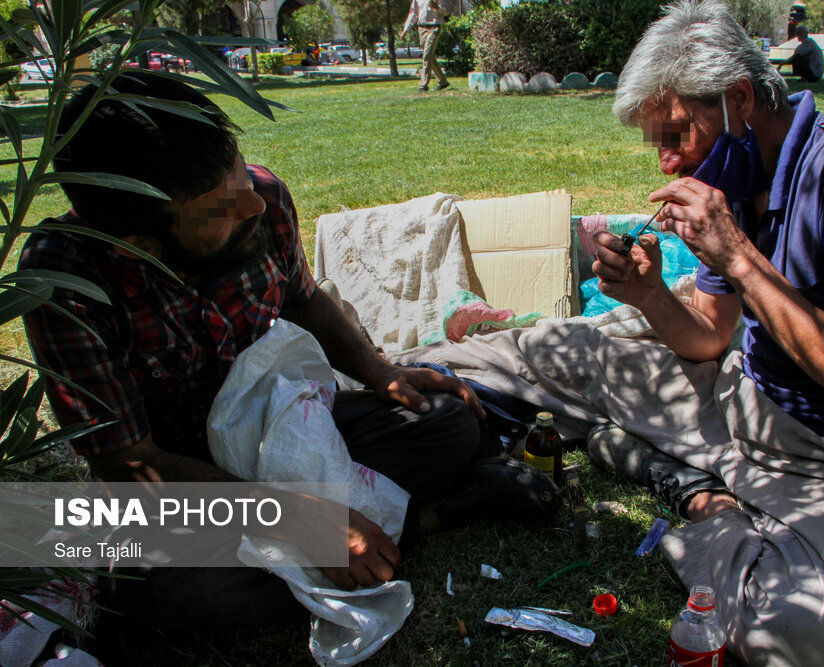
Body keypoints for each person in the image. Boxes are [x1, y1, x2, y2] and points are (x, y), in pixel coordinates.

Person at [392, 0, 824, 664]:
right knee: (552, 348)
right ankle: (378, 381)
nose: (665, 163)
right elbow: (709, 335)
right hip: (736, 401)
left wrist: (737, 255)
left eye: (676, 134)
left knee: (790, 633)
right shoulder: (739, 171)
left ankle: (704, 499)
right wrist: (650, 294)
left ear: (738, 99)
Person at [18, 71, 555, 654]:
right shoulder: (66, 279)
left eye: (239, 172)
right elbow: (131, 462)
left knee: (445, 419)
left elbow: (302, 298)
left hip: (281, 432)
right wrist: (297, 519)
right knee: (143, 587)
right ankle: (428, 518)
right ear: (144, 243)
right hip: (182, 482)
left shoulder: (263, 197)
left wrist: (381, 372)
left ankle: (353, 538)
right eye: (221, 207)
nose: (251, 202)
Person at [402, 0, 450, 91]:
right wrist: (405, 30)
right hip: (422, 28)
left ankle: (423, 85)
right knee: (429, 56)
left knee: (427, 55)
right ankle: (443, 81)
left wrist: (437, 8)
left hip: (434, 28)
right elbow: (413, 14)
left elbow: (446, 12)